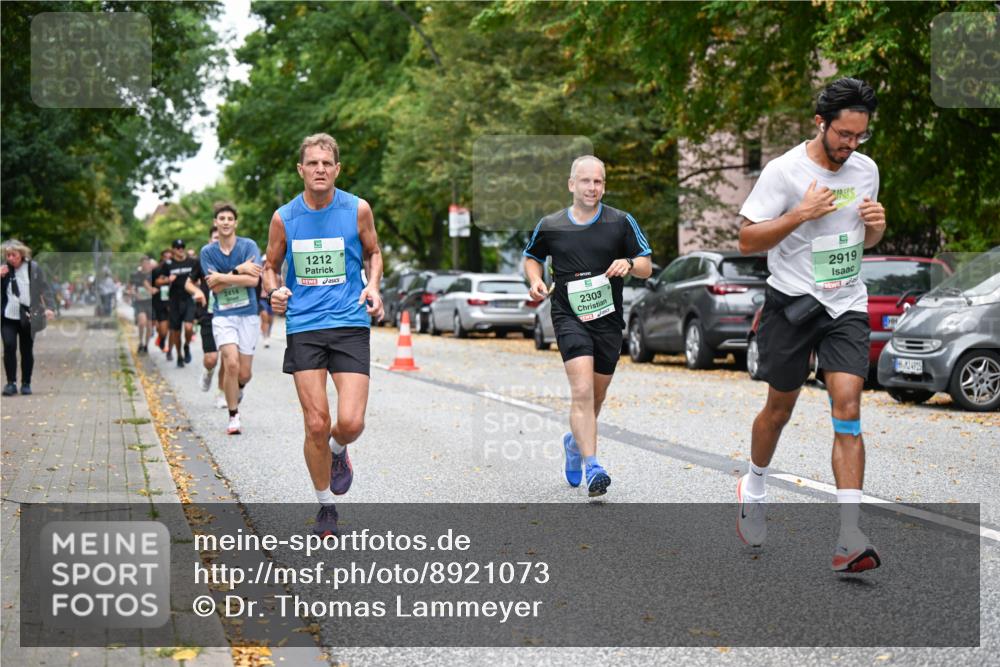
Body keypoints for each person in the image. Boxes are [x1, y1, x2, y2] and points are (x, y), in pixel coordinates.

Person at [735, 77, 886, 573]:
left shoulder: (866, 170)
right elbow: (747, 240)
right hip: (793, 305)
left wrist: (877, 227)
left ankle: (849, 536)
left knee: (848, 405)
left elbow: (859, 240)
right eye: (843, 134)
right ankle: (754, 483)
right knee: (779, 409)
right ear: (820, 123)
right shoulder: (784, 171)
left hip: (846, 304)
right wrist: (800, 213)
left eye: (859, 136)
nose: (851, 145)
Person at [263, 133, 384, 537]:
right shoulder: (285, 217)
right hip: (305, 326)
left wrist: (373, 286)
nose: (319, 169)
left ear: (337, 169)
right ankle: (326, 507)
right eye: (312, 163)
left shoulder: (357, 209)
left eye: (326, 163)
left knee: (349, 423)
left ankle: (338, 452)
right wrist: (274, 289)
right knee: (316, 422)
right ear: (301, 170)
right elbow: (270, 266)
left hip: (350, 323)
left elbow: (374, 252)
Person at [523, 155, 653, 498]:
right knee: (581, 392)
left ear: (603, 185)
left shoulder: (621, 222)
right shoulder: (551, 224)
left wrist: (628, 262)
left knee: (596, 396)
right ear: (571, 185)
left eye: (598, 182)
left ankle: (573, 443)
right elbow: (532, 257)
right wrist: (535, 280)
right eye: (585, 181)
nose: (592, 187)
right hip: (568, 315)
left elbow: (646, 265)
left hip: (608, 319)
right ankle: (593, 464)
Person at [195, 204, 263, 435]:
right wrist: (238, 272)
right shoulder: (207, 252)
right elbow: (213, 286)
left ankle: (238, 387)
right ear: (215, 222)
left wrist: (225, 277)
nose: (225, 222)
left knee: (244, 373)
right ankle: (233, 416)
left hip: (248, 314)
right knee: (230, 363)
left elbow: (253, 281)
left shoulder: (248, 246)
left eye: (229, 218)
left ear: (235, 223)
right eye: (221, 218)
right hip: (223, 315)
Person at [1, 239, 55, 396]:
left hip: (28, 316)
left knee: (26, 350)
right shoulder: (3, 269)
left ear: (22, 254)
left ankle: (26, 383)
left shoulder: (33, 268)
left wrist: (50, 307)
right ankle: (11, 383)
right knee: (9, 347)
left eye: (13, 255)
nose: (10, 258)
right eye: (8, 255)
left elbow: (45, 288)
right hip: (8, 316)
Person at [186, 227, 228, 408]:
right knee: (211, 358)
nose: (218, 241)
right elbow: (188, 283)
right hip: (208, 313)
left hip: (228, 312)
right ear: (210, 240)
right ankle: (208, 371)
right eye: (215, 238)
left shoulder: (234, 258)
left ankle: (221, 393)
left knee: (228, 357)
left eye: (221, 238)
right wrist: (197, 292)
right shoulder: (201, 260)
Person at [165, 239, 197, 368]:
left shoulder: (192, 262)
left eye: (182, 246)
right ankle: (179, 355)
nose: (180, 249)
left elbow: (199, 276)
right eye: (177, 247)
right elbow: (156, 281)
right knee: (176, 332)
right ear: (172, 249)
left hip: (189, 298)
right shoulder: (168, 265)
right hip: (174, 301)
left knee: (189, 327)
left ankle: (187, 345)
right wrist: (167, 280)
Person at [128, 257, 155, 353]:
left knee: (149, 325)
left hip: (150, 302)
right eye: (144, 263)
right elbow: (130, 289)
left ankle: (146, 345)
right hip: (139, 302)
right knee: (142, 322)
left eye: (148, 263)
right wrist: (134, 294)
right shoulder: (135, 275)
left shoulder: (153, 275)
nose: (146, 265)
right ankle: (140, 342)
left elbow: (157, 288)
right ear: (141, 264)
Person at [151, 249, 172, 355]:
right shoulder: (156, 270)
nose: (168, 259)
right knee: (163, 328)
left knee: (172, 327)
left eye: (170, 257)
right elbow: (153, 283)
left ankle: (170, 350)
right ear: (162, 257)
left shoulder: (175, 269)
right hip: (160, 302)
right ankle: (161, 339)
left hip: (173, 301)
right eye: (166, 257)